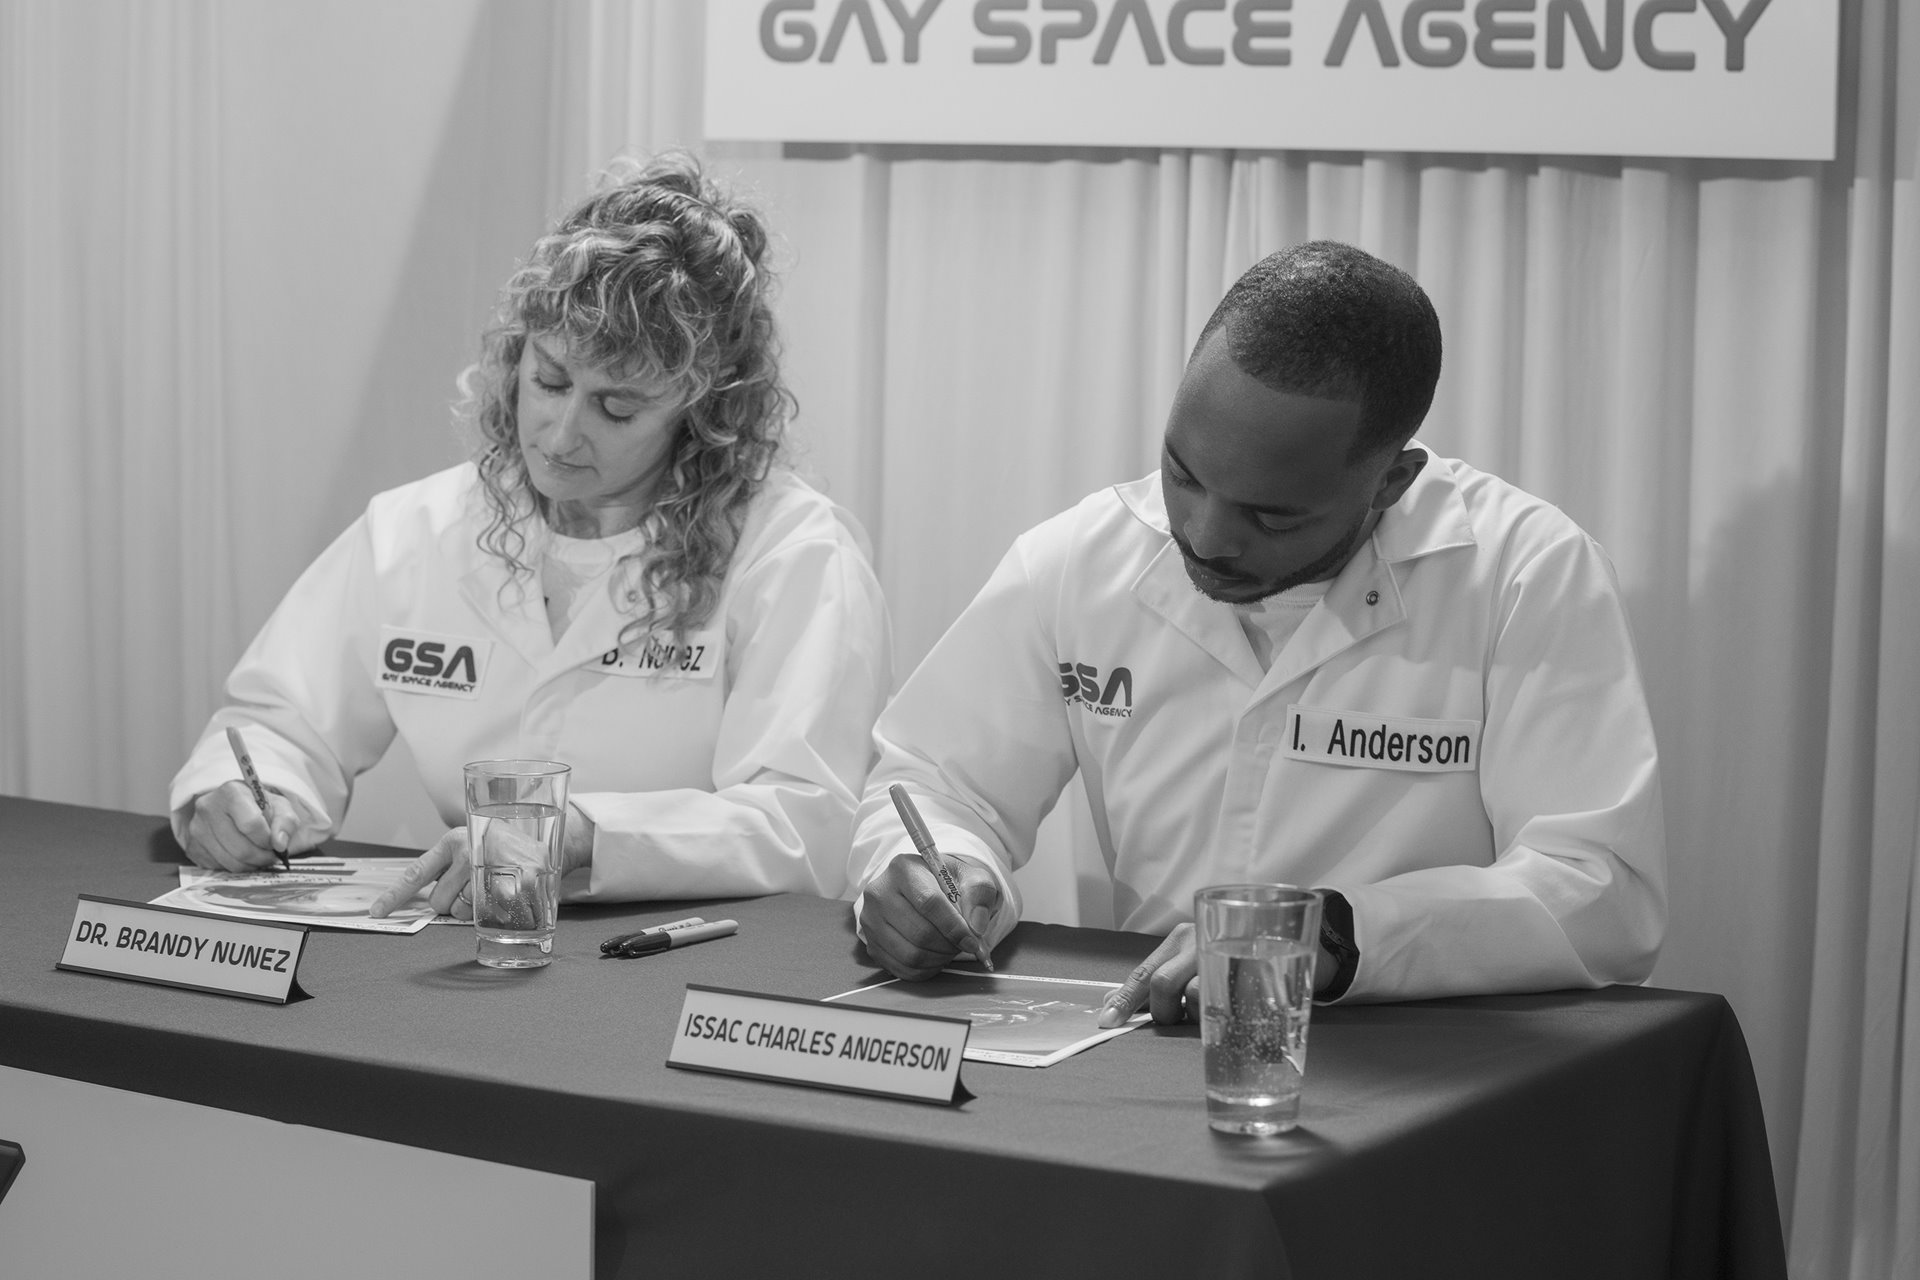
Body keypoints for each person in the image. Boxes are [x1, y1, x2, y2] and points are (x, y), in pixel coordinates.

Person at [848, 241, 1664, 1020]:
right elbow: (936, 781)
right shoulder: (1078, 561)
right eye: (1182, 473)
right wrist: (932, 868)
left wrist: (1336, 938)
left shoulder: (1524, 573)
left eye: (1272, 515)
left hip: (1424, 1067)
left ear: (1392, 481)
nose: (1205, 536)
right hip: (1147, 1045)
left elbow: (1600, 893)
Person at [169, 152, 891, 918]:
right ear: (517, 353)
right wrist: (248, 792)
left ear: (703, 412)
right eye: (548, 380)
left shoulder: (791, 554)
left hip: (677, 959)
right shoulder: (417, 531)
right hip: (468, 948)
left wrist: (590, 837)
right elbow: (283, 721)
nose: (561, 433)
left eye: (618, 409)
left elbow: (805, 822)